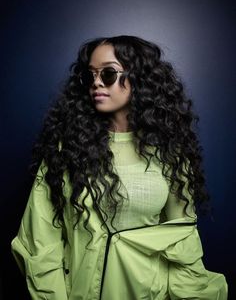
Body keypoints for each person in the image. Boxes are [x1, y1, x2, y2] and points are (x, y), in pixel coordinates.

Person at [11, 35, 228, 300]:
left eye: (109, 73)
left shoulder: (170, 153)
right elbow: (40, 241)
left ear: (139, 78)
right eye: (89, 75)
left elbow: (182, 240)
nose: (96, 83)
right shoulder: (65, 150)